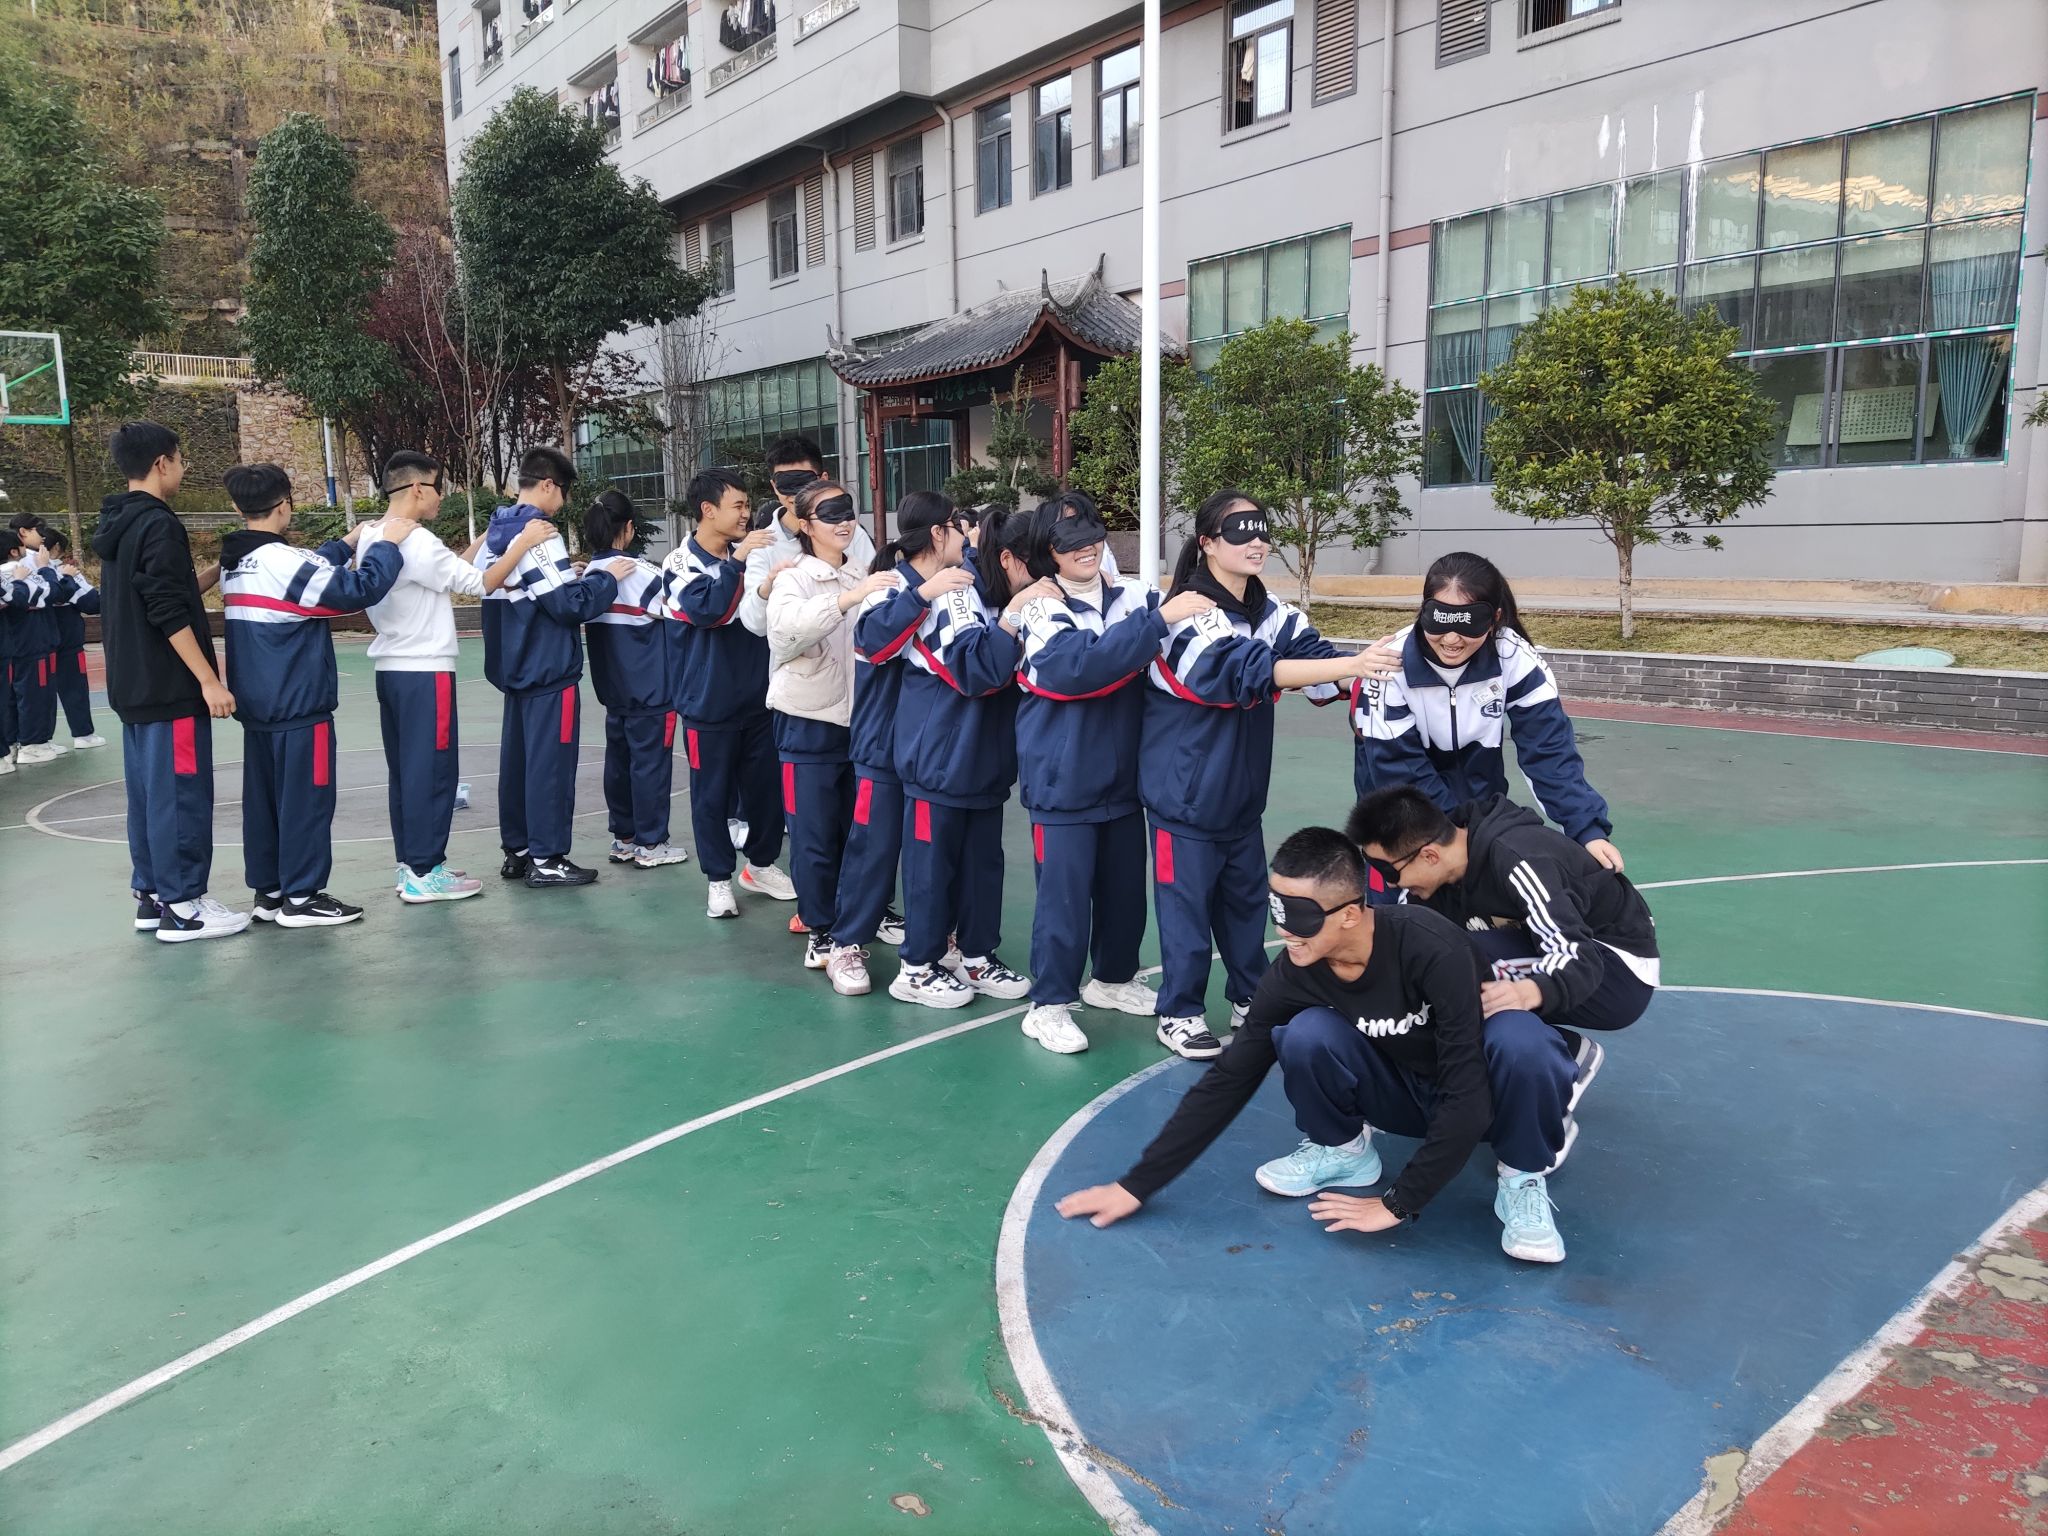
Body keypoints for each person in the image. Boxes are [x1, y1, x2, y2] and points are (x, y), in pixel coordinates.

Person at [1055, 828, 1581, 1264]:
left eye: (1301, 916)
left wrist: (1399, 1203)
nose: (1286, 931)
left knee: (1523, 1040)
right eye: (1277, 910)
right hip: (1400, 1093)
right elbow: (1229, 1079)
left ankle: (1522, 1176)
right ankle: (1346, 1153)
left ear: (1350, 912)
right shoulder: (1294, 973)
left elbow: (1467, 1095)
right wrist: (1137, 1184)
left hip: (1482, 1100)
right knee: (1304, 1032)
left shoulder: (1432, 947)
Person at [1140, 490, 1383, 1060]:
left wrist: (1368, 669)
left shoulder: (1272, 610)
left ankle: (1252, 998)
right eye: (1239, 532)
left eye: (1261, 530)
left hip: (1242, 797)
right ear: (1207, 543)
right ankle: (1179, 1012)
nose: (1256, 542)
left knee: (1247, 906)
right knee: (1186, 911)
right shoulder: (1188, 613)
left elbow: (1314, 657)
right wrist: (1351, 664)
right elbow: (1246, 669)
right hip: (1184, 797)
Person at [1346, 786, 1660, 1155]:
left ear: (1429, 855)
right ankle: (1565, 1051)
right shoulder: (1440, 878)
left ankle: (1548, 1109)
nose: (1389, 884)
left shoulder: (1519, 858)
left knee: (1458, 966)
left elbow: (1578, 956)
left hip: (1616, 970)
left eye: (1389, 871)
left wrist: (1532, 991)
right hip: (1550, 955)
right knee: (1426, 961)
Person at [1008, 501, 1215, 1054]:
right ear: (1047, 550)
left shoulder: (1137, 596)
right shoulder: (1041, 606)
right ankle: (1048, 1004)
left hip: (1126, 779)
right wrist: (1156, 625)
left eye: (1091, 534)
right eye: (1069, 539)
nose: (1085, 547)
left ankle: (1113, 979)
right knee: (1064, 900)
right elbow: (1075, 670)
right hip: (1062, 781)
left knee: (1125, 894)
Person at [859, 493, 1037, 1009]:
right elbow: (976, 672)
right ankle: (917, 967)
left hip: (982, 760)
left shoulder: (984, 590)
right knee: (930, 870)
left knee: (983, 865)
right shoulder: (948, 592)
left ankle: (975, 954)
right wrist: (1012, 619)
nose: (966, 539)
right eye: (958, 530)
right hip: (938, 760)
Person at [218, 462, 412, 927]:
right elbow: (357, 590)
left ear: (239, 508)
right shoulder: (284, 563)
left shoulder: (235, 563)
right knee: (306, 802)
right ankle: (303, 897)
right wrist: (386, 545)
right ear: (284, 505)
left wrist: (346, 543)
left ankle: (270, 892)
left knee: (263, 806)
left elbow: (305, 571)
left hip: (259, 708)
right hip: (298, 705)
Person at [1350, 550, 1624, 877]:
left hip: (1479, 818)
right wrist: (1458, 838)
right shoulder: (1388, 667)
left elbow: (1549, 752)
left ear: (1494, 619)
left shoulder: (1515, 659)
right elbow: (1399, 771)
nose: (1452, 639)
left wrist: (1586, 829)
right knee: (1403, 907)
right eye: (1440, 621)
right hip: (1403, 828)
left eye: (1468, 624)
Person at [92, 421, 246, 941]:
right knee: (180, 796)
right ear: (162, 463)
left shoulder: (118, 521)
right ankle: (184, 906)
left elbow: (160, 591)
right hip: (169, 687)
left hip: (133, 687)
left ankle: (154, 895)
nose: (183, 467)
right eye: (180, 459)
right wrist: (208, 679)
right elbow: (165, 608)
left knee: (148, 798)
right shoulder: (159, 524)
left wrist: (213, 573)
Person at [357, 451, 532, 904]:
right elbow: (481, 584)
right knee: (432, 773)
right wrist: (523, 543)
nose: (441, 497)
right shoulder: (417, 541)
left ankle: (412, 863)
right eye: (438, 487)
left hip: (393, 669)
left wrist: (485, 540)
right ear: (417, 488)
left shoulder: (375, 535)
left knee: (406, 773)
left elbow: (452, 572)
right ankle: (425, 870)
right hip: (425, 671)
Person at [473, 446, 636, 889]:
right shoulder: (540, 532)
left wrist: (573, 576)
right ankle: (548, 857)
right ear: (548, 485)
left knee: (518, 763)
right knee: (550, 766)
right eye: (563, 492)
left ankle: (519, 850)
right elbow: (567, 606)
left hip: (513, 666)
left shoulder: (497, 529)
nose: (562, 503)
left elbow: (519, 587)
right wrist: (605, 578)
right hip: (547, 668)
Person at [765, 479, 901, 977]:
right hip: (807, 723)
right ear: (805, 524)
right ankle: (821, 927)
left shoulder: (863, 574)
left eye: (848, 510)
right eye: (830, 513)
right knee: (814, 835)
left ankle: (864, 914)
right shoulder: (794, 578)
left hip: (862, 724)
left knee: (862, 831)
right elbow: (783, 634)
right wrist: (847, 599)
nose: (844, 521)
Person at [826, 497, 962, 996]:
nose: (966, 536)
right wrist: (923, 595)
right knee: (873, 848)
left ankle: (936, 941)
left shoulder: (957, 586)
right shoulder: (887, 586)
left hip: (929, 749)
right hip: (883, 746)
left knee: (933, 853)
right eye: (958, 526)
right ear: (938, 533)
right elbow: (873, 642)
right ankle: (845, 943)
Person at [656, 468, 797, 917]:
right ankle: (718, 879)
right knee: (711, 797)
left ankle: (761, 865)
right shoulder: (679, 564)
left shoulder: (751, 555)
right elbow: (709, 611)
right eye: (737, 505)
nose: (745, 514)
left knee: (766, 793)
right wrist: (738, 564)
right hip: (707, 705)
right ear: (707, 510)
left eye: (747, 505)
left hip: (758, 699)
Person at [582, 487, 690, 871]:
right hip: (651, 689)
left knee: (619, 763)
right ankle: (651, 842)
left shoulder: (589, 575)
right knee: (651, 766)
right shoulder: (642, 574)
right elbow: (684, 610)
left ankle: (624, 838)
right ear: (628, 528)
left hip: (613, 690)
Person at [738, 434, 877, 641]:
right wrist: (766, 588)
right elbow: (754, 624)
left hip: (853, 650)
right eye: (785, 484)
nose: (795, 495)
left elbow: (875, 598)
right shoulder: (764, 545)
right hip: (799, 657)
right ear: (774, 486)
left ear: (822, 479)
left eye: (803, 483)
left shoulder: (850, 533)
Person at [6, 515, 69, 762]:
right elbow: (52, 593)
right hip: (30, 640)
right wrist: (46, 569)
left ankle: (23, 741)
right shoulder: (20, 567)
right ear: (22, 533)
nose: (43, 536)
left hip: (27, 639)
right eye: (37, 530)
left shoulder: (21, 565)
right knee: (33, 692)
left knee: (25, 693)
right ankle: (32, 742)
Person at [43, 531, 105, 750]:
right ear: (57, 548)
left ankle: (38, 741)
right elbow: (91, 603)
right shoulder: (64, 571)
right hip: (66, 638)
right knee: (74, 687)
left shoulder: (22, 569)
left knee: (36, 690)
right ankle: (83, 734)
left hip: (35, 640)